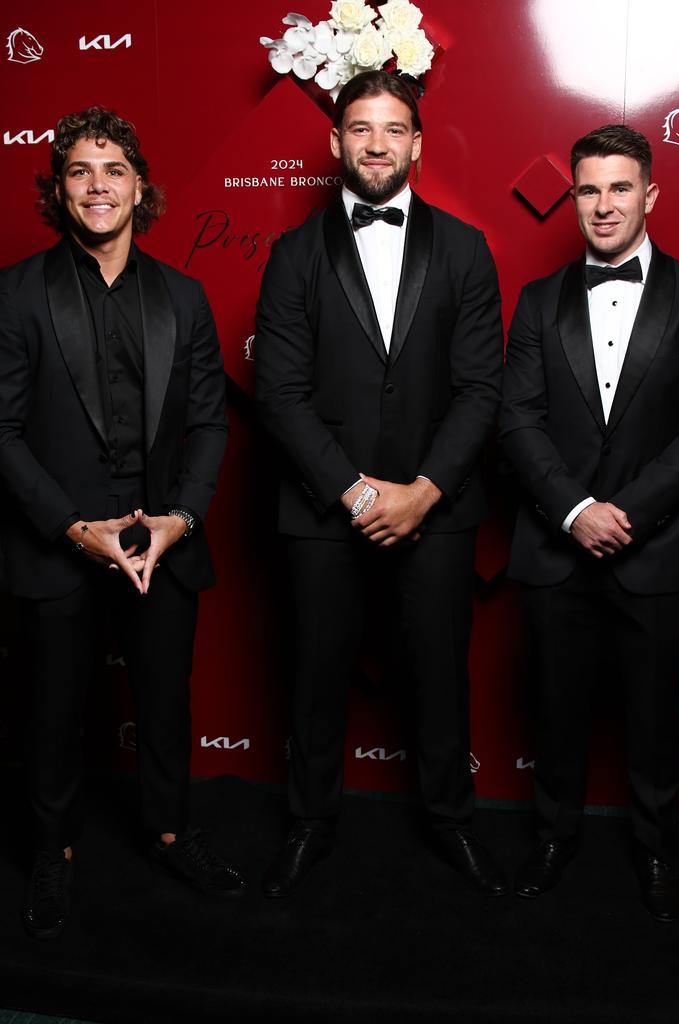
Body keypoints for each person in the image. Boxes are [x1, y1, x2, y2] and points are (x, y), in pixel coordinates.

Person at [253, 71, 506, 898]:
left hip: (438, 508)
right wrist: (359, 495)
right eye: (359, 128)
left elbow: (480, 390)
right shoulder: (293, 255)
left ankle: (451, 822)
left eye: (392, 129)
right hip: (324, 509)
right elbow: (280, 394)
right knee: (315, 678)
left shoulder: (466, 249)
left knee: (440, 677)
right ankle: (310, 821)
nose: (375, 143)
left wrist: (422, 492)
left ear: (417, 144)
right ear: (334, 142)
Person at [0, 106, 243, 940]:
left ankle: (172, 833)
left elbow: (211, 422)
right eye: (79, 171)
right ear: (59, 190)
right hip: (57, 540)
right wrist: (72, 528)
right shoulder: (15, 293)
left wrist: (179, 519)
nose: (97, 185)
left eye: (113, 170)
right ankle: (49, 852)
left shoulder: (185, 295)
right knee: (49, 709)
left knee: (164, 703)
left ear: (141, 187)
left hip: (161, 541)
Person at [500, 124, 679, 921]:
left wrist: (621, 514)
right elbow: (518, 421)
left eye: (619, 187)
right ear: (573, 198)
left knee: (655, 715)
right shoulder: (537, 302)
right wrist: (573, 511)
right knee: (556, 710)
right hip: (556, 547)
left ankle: (657, 848)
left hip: (655, 548)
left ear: (650, 194)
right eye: (589, 189)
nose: (603, 205)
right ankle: (553, 839)